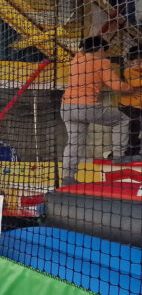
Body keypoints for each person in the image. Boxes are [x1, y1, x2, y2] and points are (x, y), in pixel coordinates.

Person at [61, 36, 134, 185]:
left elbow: (83, 49)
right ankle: (119, 156)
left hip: (67, 108)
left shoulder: (76, 60)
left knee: (74, 143)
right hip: (86, 107)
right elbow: (115, 85)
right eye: (105, 51)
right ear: (100, 49)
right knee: (122, 120)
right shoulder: (102, 62)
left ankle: (67, 178)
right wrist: (131, 88)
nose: (106, 54)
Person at [120, 44, 142, 156]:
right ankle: (129, 150)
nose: (138, 66)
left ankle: (135, 149)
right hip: (128, 106)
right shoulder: (128, 71)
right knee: (132, 129)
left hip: (137, 107)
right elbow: (135, 83)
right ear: (130, 62)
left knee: (136, 129)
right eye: (136, 63)